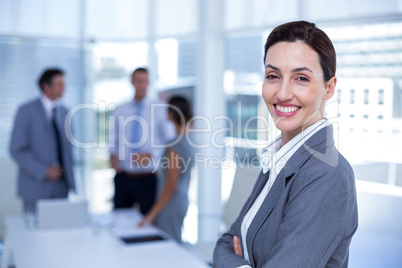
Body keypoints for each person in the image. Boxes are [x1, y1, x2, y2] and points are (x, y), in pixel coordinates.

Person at [213, 21, 358, 268]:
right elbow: (225, 243)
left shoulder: (326, 174)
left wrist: (240, 261)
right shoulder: (278, 158)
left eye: (301, 78)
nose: (282, 93)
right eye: (273, 76)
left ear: (329, 88)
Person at [109, 67, 175, 215]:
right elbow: (114, 137)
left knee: (147, 223)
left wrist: (152, 155)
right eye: (138, 81)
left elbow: (169, 141)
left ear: (149, 83)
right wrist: (112, 155)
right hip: (123, 176)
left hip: (147, 178)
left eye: (144, 81)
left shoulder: (160, 109)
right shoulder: (121, 109)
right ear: (132, 82)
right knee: (119, 218)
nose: (141, 85)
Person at [9, 68, 76, 213]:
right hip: (36, 186)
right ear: (46, 86)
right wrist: (44, 171)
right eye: (59, 84)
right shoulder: (25, 111)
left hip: (61, 187)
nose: (64, 88)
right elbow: (17, 149)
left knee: (60, 231)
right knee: (35, 233)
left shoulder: (65, 113)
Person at [138, 95, 195, 243]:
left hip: (171, 203)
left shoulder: (174, 145)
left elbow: (171, 184)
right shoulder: (188, 139)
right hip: (181, 199)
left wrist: (152, 214)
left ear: (170, 113)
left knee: (170, 247)